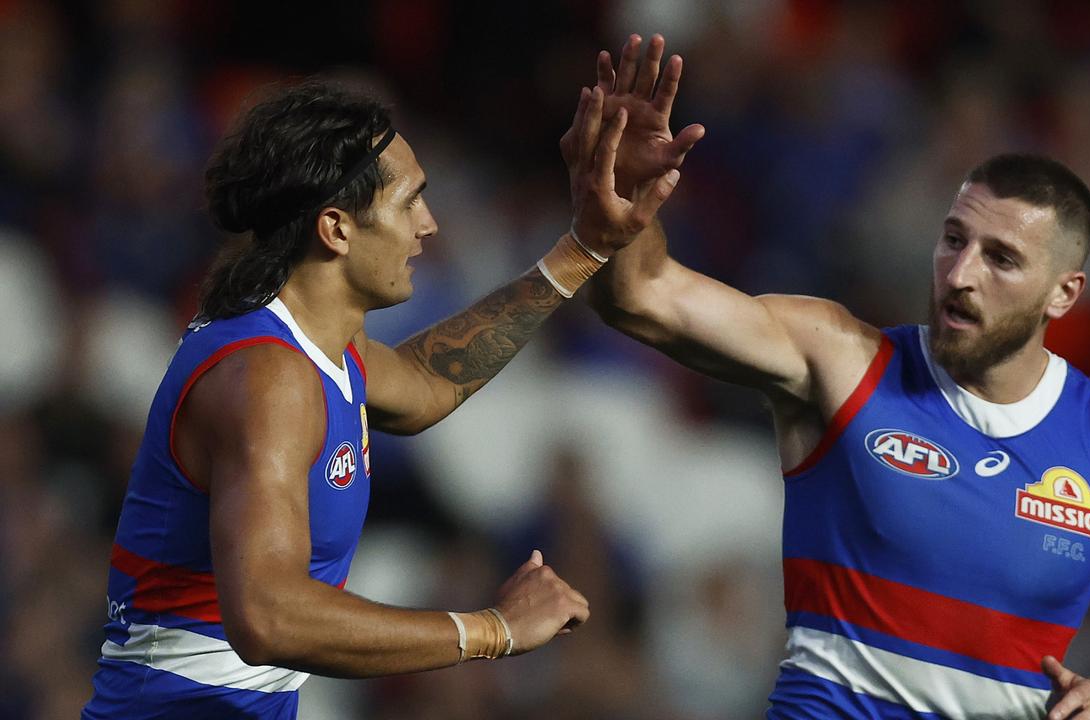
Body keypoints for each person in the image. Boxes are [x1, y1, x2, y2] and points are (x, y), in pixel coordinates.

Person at [581, 35, 1090, 719]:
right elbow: (639, 298)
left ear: (1064, 293)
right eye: (953, 239)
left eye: (1000, 258)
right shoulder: (839, 360)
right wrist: (629, 195)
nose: (960, 274)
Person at [82, 79, 683, 719]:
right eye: (409, 202)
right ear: (337, 228)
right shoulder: (267, 380)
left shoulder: (321, 347)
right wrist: (491, 630)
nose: (429, 225)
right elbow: (268, 616)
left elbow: (427, 384)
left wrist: (580, 249)